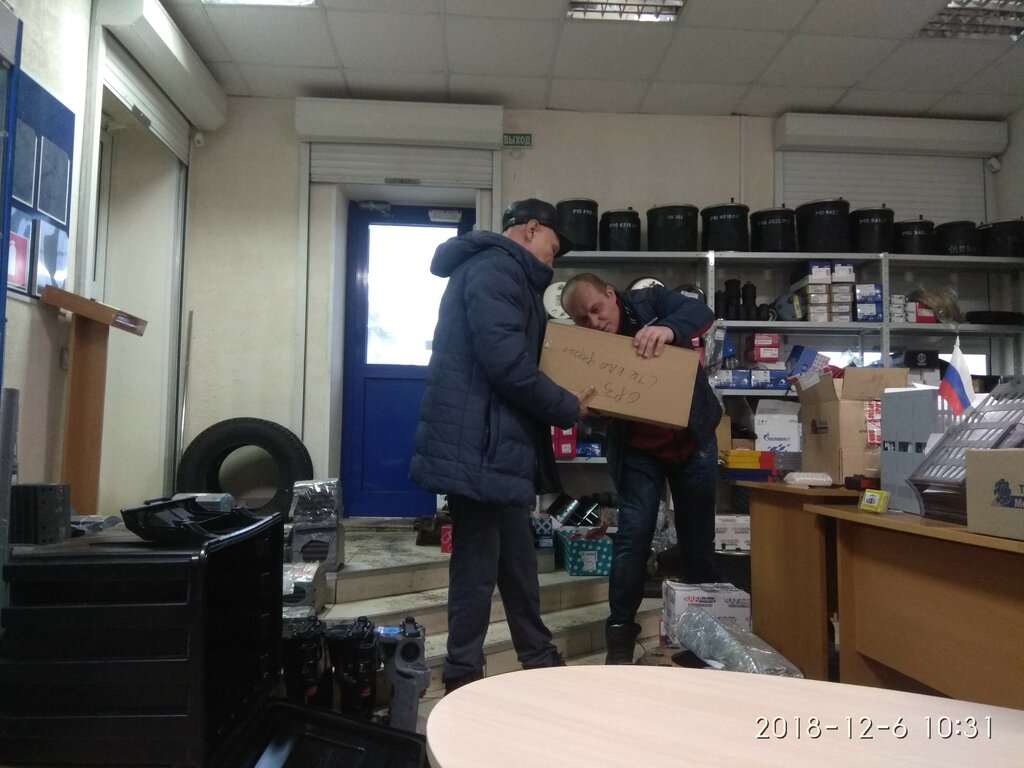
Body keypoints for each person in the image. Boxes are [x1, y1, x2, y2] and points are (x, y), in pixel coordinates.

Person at [410, 198, 594, 693]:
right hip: (480, 446)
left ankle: (538, 656)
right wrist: (567, 405)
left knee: (517, 560)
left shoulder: (507, 274)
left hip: (496, 444)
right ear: (531, 229)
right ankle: (461, 674)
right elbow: (507, 364)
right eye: (553, 246)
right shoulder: (495, 270)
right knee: (476, 565)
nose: (553, 257)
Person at [560, 272, 722, 664]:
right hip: (638, 451)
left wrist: (668, 329)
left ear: (611, 295)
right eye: (582, 319)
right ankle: (619, 638)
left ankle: (702, 644)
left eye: (597, 309)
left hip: (692, 441)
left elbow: (701, 313)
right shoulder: (585, 348)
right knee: (633, 537)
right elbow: (589, 410)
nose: (594, 322)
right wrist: (589, 412)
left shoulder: (651, 302)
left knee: (698, 541)